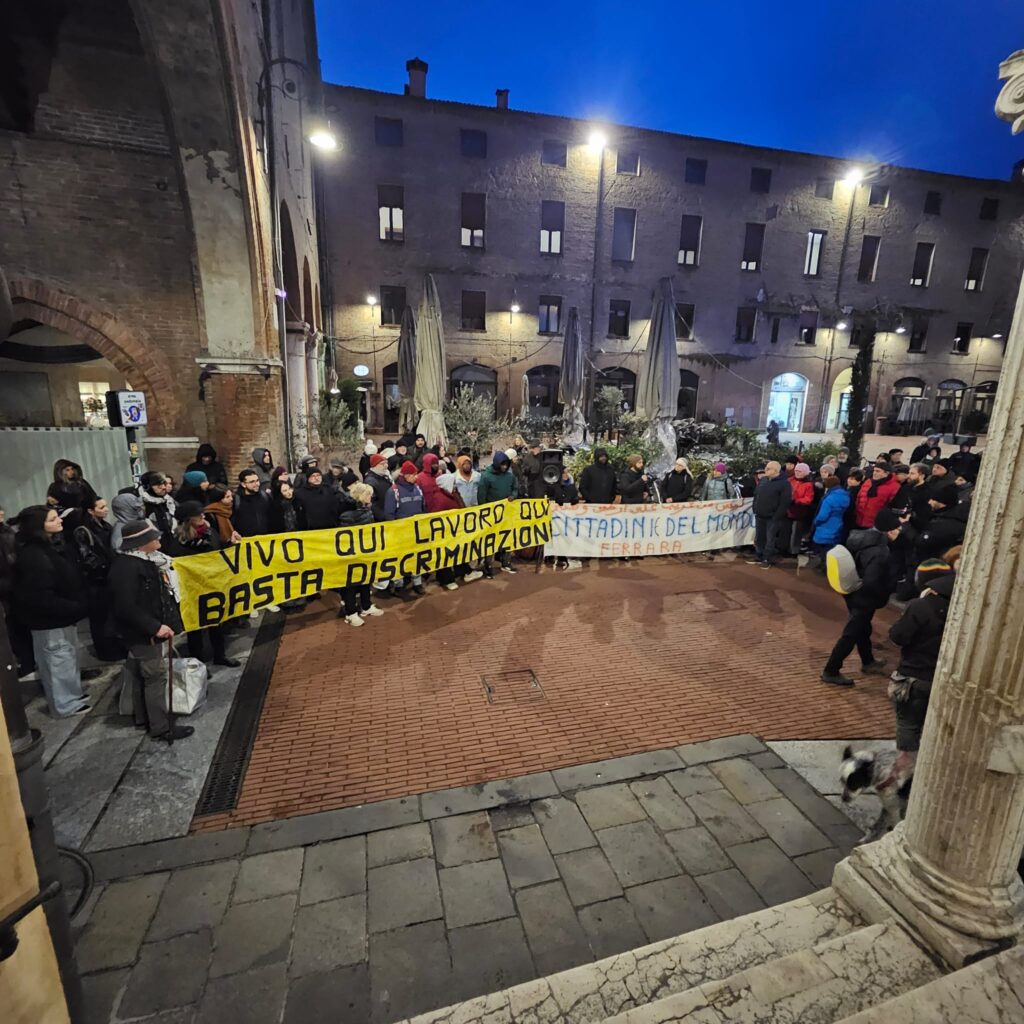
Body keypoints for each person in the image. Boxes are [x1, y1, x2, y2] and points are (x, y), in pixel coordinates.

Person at [108, 519, 193, 742]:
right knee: (155, 677)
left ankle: (143, 718)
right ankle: (161, 726)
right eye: (152, 537)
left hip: (143, 631)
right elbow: (125, 606)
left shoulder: (143, 562)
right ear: (140, 543)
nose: (159, 539)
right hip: (143, 634)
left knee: (140, 674)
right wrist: (155, 626)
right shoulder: (127, 568)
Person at [12, 506, 90, 716]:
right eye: (53, 519)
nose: (60, 521)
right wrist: (73, 607)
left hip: (62, 616)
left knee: (66, 659)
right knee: (57, 661)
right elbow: (39, 596)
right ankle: (64, 704)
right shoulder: (33, 555)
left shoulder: (48, 546)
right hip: (49, 619)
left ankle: (72, 695)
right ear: (39, 526)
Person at [821, 507, 902, 687]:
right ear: (889, 530)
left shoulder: (860, 539)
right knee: (851, 633)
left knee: (863, 629)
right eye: (897, 529)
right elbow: (873, 580)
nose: (899, 532)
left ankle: (868, 661)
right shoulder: (881, 552)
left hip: (853, 593)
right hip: (865, 598)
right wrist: (887, 589)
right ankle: (831, 669)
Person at [888, 560, 955, 754]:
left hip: (914, 675)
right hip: (941, 677)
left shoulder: (920, 606)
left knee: (907, 724)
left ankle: (908, 769)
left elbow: (898, 637)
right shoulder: (959, 606)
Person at [165, 502, 239, 669]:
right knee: (195, 628)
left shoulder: (209, 531)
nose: (203, 517)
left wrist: (229, 544)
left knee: (216, 622)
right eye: (199, 515)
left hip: (212, 585)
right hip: (193, 590)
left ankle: (220, 655)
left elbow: (217, 551)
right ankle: (198, 663)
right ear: (188, 520)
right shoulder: (178, 542)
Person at [70, 495, 124, 662]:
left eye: (106, 506)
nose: (106, 510)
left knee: (111, 616)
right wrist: (106, 567)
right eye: (101, 508)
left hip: (109, 577)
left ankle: (115, 646)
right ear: (90, 510)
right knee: (100, 618)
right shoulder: (83, 531)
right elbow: (88, 558)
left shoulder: (106, 526)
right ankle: (105, 651)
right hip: (96, 581)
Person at [337, 482, 386, 624]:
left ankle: (366, 605)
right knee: (351, 583)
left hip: (366, 552)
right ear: (360, 495)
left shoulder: (367, 509)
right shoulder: (348, 514)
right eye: (368, 494)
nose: (371, 497)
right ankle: (350, 612)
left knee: (366, 579)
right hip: (352, 554)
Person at [418, 453, 465, 590]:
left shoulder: (439, 477)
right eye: (432, 464)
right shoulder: (420, 479)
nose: (435, 466)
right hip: (429, 518)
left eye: (436, 464)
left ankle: (448, 574)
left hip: (443, 520)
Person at [384, 460, 427, 594]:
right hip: (400, 533)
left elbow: (423, 508)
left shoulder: (418, 489)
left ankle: (417, 582)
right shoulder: (393, 492)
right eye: (414, 474)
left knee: (417, 557)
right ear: (406, 475)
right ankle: (398, 585)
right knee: (399, 559)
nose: (417, 477)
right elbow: (389, 514)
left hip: (416, 531)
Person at [476, 451, 518, 577]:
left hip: (506, 513)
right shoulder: (486, 476)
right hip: (491, 515)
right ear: (496, 464)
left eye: (506, 464)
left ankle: (506, 562)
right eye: (502, 464)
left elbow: (515, 488)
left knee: (507, 537)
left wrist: (513, 496)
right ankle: (488, 565)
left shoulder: (510, 476)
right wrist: (484, 512)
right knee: (491, 541)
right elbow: (481, 495)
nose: (504, 467)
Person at [747, 460, 789, 569]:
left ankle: (767, 558)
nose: (765, 470)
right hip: (760, 514)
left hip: (772, 517)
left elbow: (785, 502)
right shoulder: (764, 480)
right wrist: (755, 508)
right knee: (759, 537)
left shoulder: (784, 484)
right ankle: (760, 555)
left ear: (775, 470)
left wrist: (777, 516)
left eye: (768, 468)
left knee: (770, 538)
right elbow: (757, 495)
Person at [914, 483, 969, 563]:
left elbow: (922, 543)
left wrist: (908, 529)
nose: (929, 502)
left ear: (941, 502)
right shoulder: (950, 517)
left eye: (933, 499)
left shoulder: (944, 524)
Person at [810, 475, 850, 568]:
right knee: (832, 548)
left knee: (824, 548)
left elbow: (823, 515)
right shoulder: (846, 495)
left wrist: (816, 522)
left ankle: (824, 566)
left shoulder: (829, 498)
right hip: (838, 524)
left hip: (826, 526)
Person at [295, 466, 343, 530]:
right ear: (308, 478)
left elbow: (335, 507)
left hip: (330, 528)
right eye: (313, 476)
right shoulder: (300, 493)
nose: (316, 478)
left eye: (318, 475)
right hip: (311, 530)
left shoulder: (328, 489)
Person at [854, 463, 900, 528]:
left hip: (876, 525)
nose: (874, 473)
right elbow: (859, 498)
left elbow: (891, 507)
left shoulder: (894, 487)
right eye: (874, 471)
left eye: (878, 471)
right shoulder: (868, 482)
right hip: (859, 520)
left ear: (886, 473)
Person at [233, 469, 273, 537]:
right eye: (252, 482)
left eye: (257, 480)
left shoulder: (265, 497)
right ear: (243, 484)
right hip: (246, 542)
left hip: (265, 540)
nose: (257, 484)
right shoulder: (236, 500)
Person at [139, 471, 177, 543]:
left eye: (163, 483)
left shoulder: (168, 500)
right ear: (147, 486)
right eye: (157, 484)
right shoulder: (141, 504)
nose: (163, 487)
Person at [786, 462, 815, 555]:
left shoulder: (809, 484)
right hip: (787, 510)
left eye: (800, 471)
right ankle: (784, 548)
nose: (797, 473)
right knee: (786, 531)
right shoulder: (789, 480)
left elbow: (808, 499)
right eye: (796, 471)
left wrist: (796, 500)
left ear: (805, 472)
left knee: (796, 533)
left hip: (799, 511)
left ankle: (794, 551)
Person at [364, 453, 392, 521]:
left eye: (386, 463)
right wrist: (383, 516)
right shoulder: (370, 481)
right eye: (382, 464)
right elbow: (371, 503)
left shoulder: (385, 476)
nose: (386, 466)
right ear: (374, 465)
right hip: (381, 519)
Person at [843, 468, 864, 533]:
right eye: (849, 478)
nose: (849, 481)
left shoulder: (856, 491)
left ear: (858, 481)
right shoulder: (847, 489)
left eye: (852, 479)